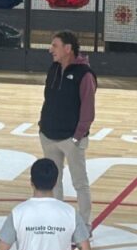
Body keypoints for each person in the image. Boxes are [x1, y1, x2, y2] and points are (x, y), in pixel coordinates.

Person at [38, 31, 97, 230]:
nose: (49, 50)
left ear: (68, 48)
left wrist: (76, 137)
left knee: (80, 182)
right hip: (48, 135)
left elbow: (88, 110)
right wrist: (42, 127)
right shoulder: (53, 69)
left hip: (71, 139)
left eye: (54, 46)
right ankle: (58, 221)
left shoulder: (85, 75)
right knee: (54, 182)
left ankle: (85, 223)